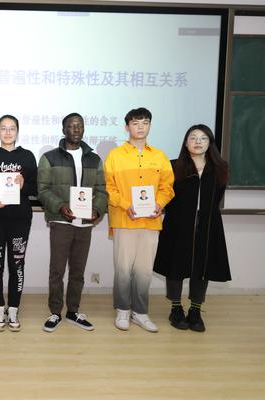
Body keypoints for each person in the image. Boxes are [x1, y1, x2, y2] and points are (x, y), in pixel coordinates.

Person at [154, 124, 230, 332]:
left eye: (203, 138)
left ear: (210, 143)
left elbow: (217, 197)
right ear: (186, 143)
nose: (198, 142)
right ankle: (176, 308)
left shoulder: (219, 168)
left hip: (208, 225)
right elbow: (166, 195)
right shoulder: (173, 166)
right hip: (177, 224)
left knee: (202, 268)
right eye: (193, 138)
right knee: (175, 265)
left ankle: (195, 310)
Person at [104, 107, 174, 333]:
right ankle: (123, 310)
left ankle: (141, 313)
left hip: (151, 221)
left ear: (150, 126)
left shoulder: (159, 156)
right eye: (135, 123)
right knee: (123, 268)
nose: (140, 127)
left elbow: (167, 187)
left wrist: (159, 204)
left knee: (144, 270)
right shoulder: (115, 156)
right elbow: (109, 188)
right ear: (127, 127)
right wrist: (127, 205)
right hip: (124, 219)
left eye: (145, 122)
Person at [37, 113, 108, 332]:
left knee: (78, 271)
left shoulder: (94, 160)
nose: (76, 129)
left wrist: (97, 209)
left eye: (80, 126)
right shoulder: (49, 158)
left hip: (85, 224)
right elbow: (43, 190)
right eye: (71, 126)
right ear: (63, 130)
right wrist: (60, 206)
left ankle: (73, 311)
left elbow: (102, 191)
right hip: (61, 221)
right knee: (57, 270)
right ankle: (55, 312)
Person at [0, 115, 37, 331]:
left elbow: (36, 188)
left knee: (17, 265)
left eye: (12, 128)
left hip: (20, 220)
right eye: (3, 128)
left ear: (17, 132)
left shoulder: (27, 156)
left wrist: (24, 185)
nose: (8, 132)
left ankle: (13, 309)